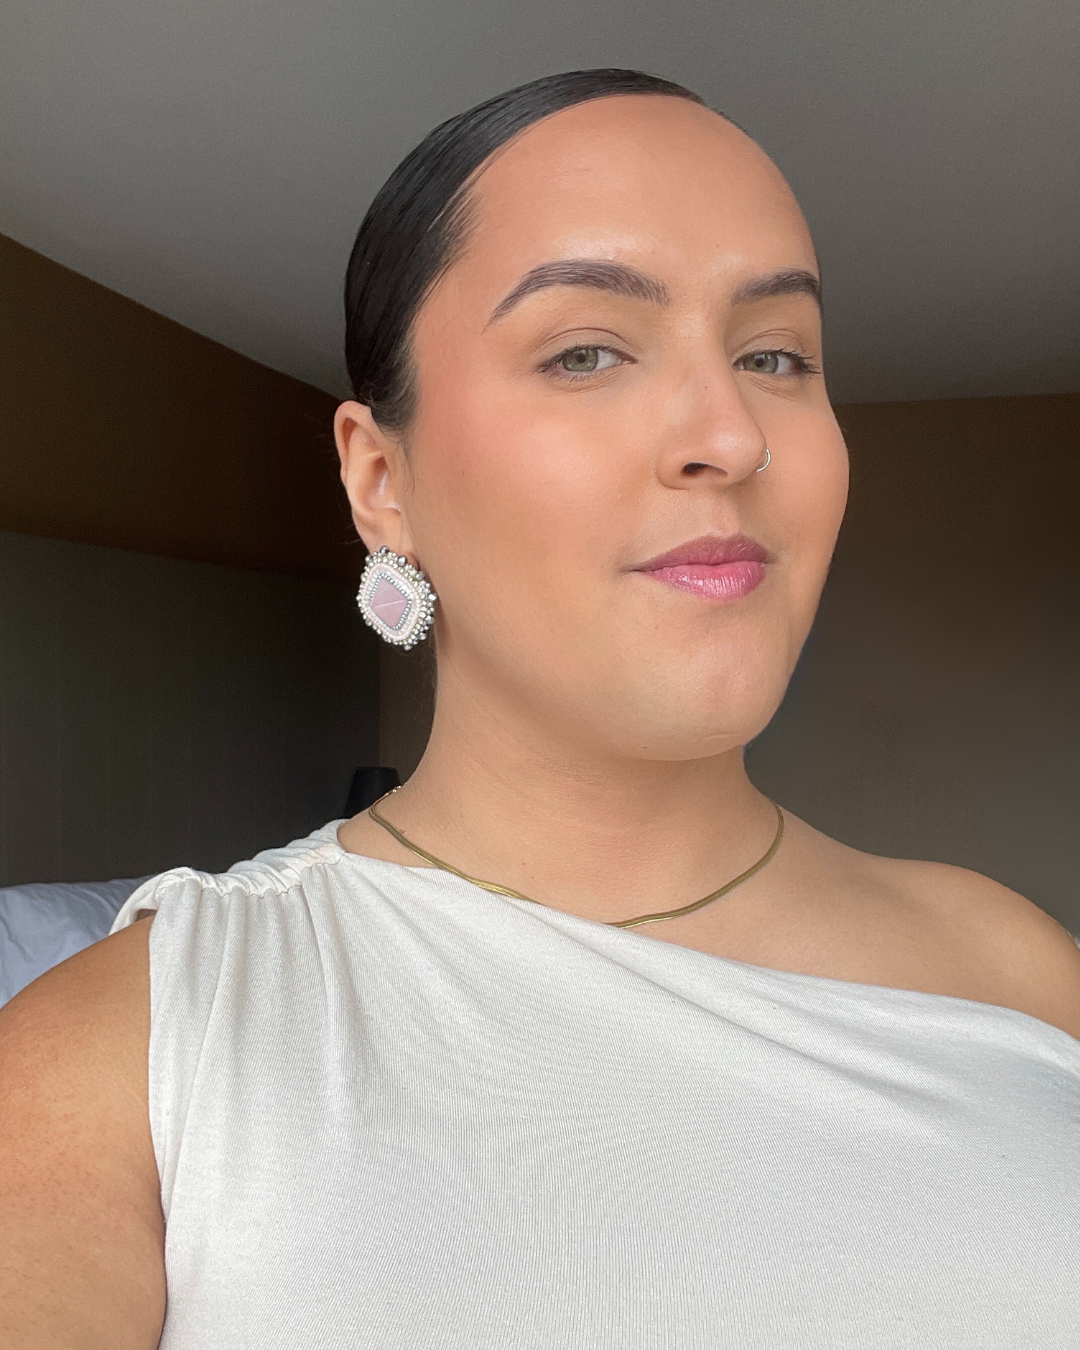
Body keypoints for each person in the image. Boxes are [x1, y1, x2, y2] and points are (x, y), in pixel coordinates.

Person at [2, 68, 1078, 1350]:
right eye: (586, 352)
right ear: (382, 479)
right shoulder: (124, 1053)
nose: (733, 435)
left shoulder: (1016, 966)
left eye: (775, 355)